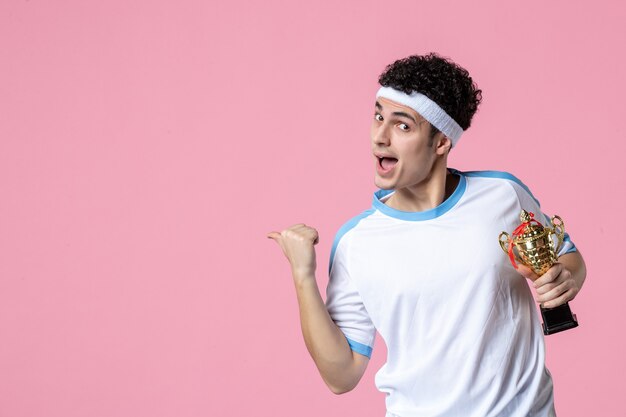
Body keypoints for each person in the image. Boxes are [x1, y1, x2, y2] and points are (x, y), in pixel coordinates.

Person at [267, 53, 586, 417]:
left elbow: (567, 256)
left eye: (403, 126)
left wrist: (565, 279)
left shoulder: (503, 195)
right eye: (378, 117)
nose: (380, 138)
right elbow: (341, 375)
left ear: (441, 143)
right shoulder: (357, 243)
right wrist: (302, 275)